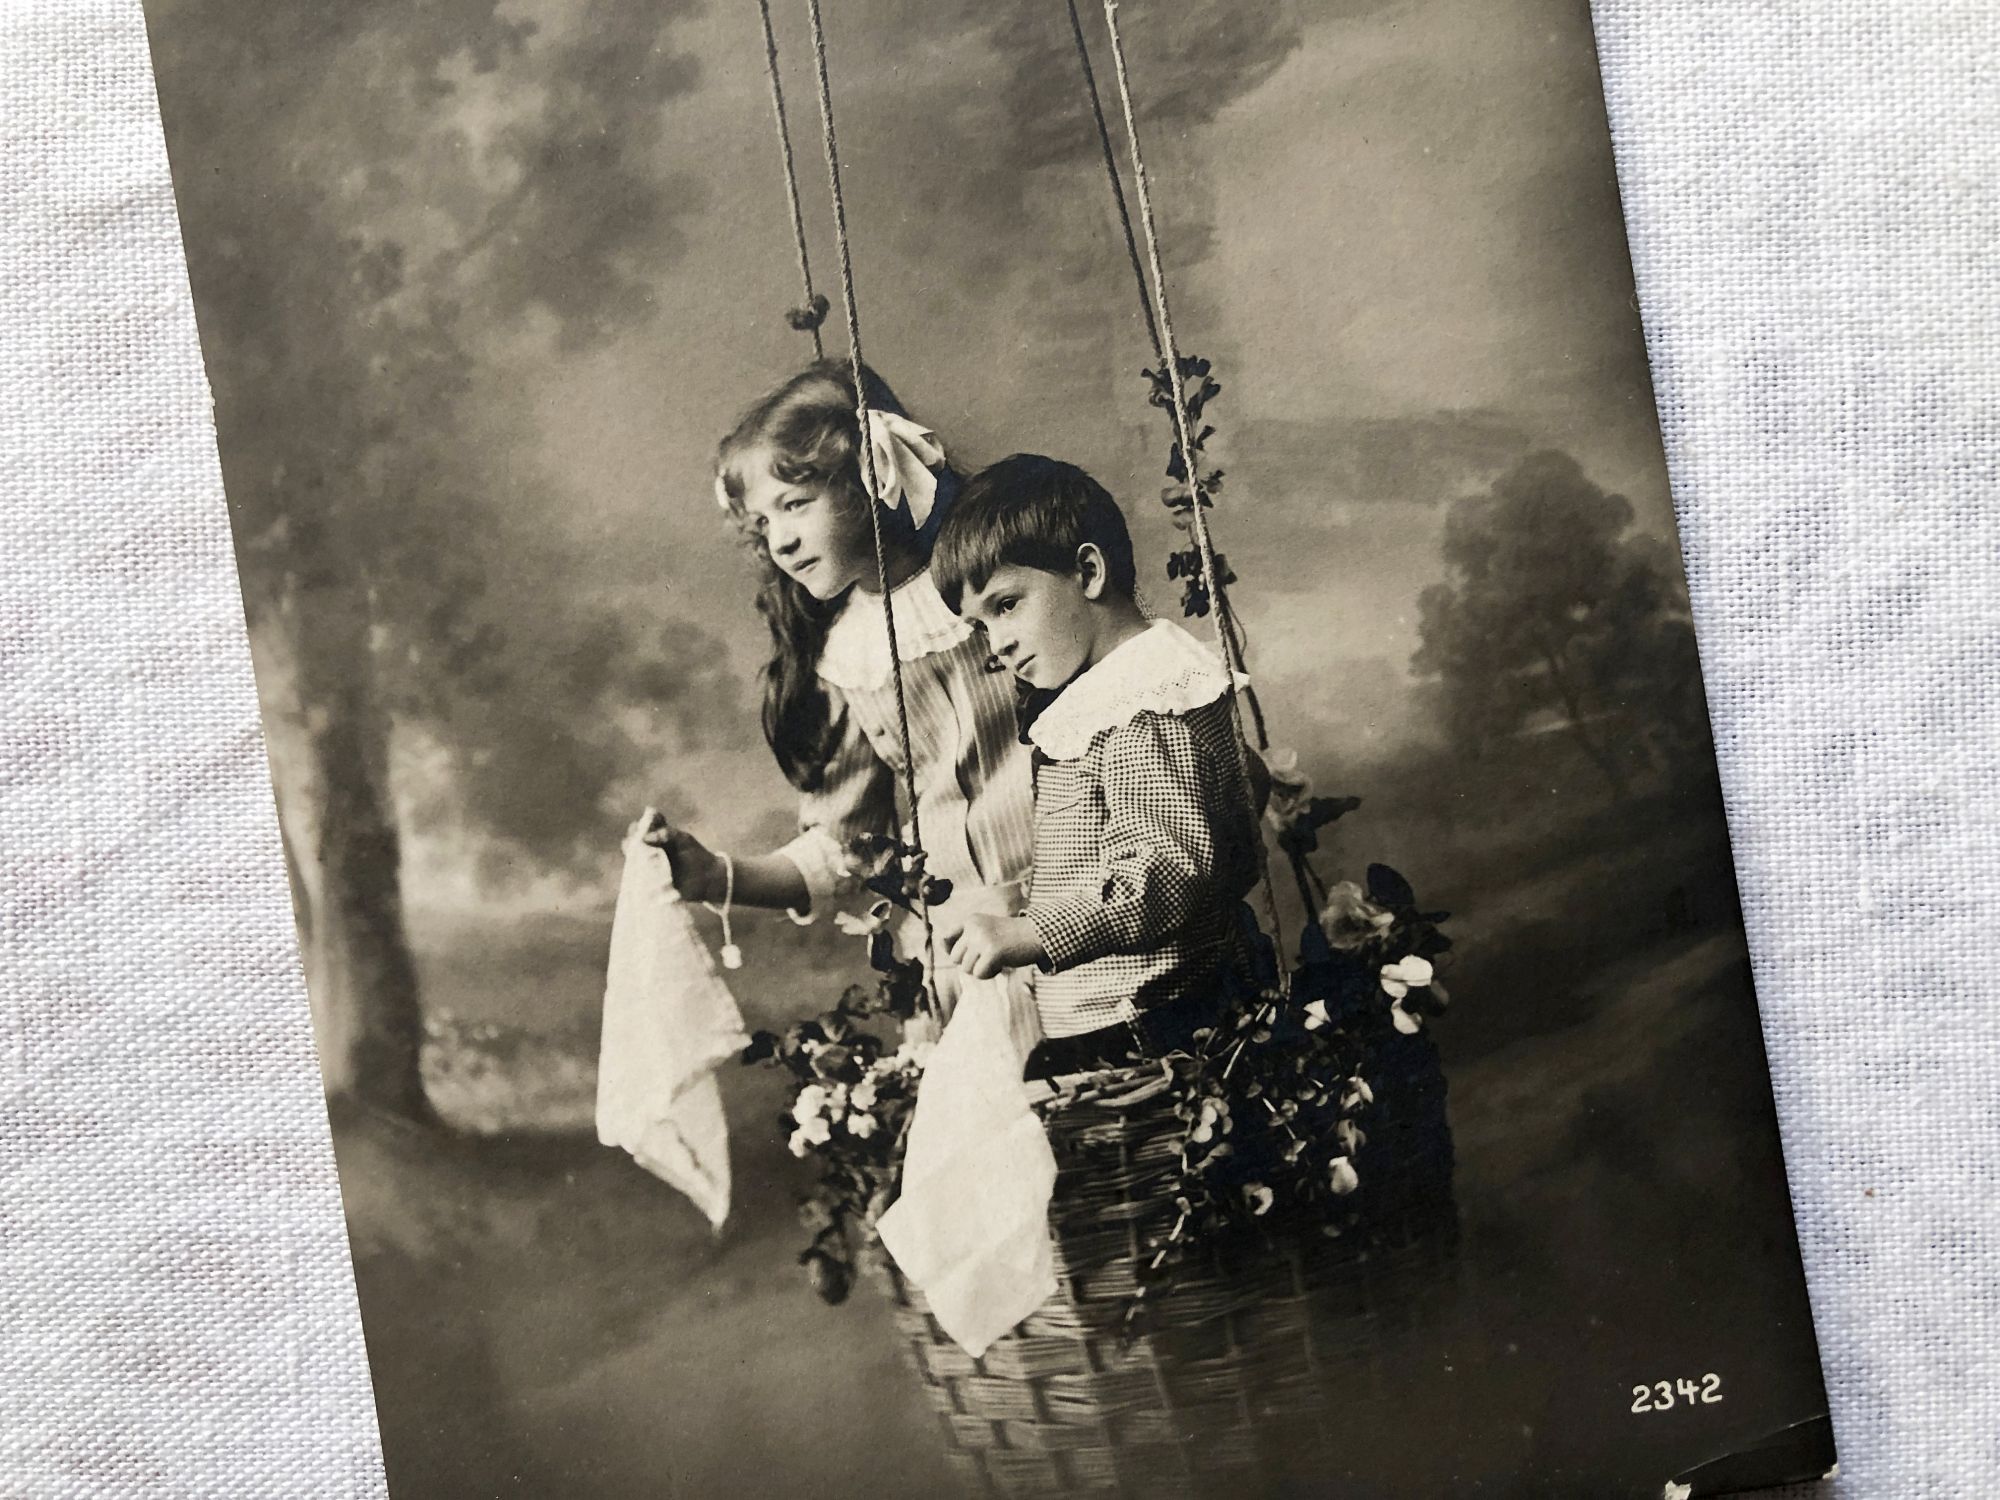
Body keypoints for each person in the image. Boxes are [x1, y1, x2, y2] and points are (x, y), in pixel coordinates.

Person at [642, 361, 1035, 1011]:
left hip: (1083, 915)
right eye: (764, 524)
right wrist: (717, 874)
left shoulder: (994, 585)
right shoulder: (846, 660)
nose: (782, 542)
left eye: (795, 505)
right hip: (969, 961)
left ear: (868, 478)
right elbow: (847, 848)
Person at [930, 454, 1267, 1079]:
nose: (996, 643)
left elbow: (1165, 867)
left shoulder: (1141, 705)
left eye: (1006, 605)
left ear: (1087, 571)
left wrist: (1032, 932)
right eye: (980, 625)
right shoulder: (1126, 693)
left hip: (1148, 1022)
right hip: (1122, 1011)